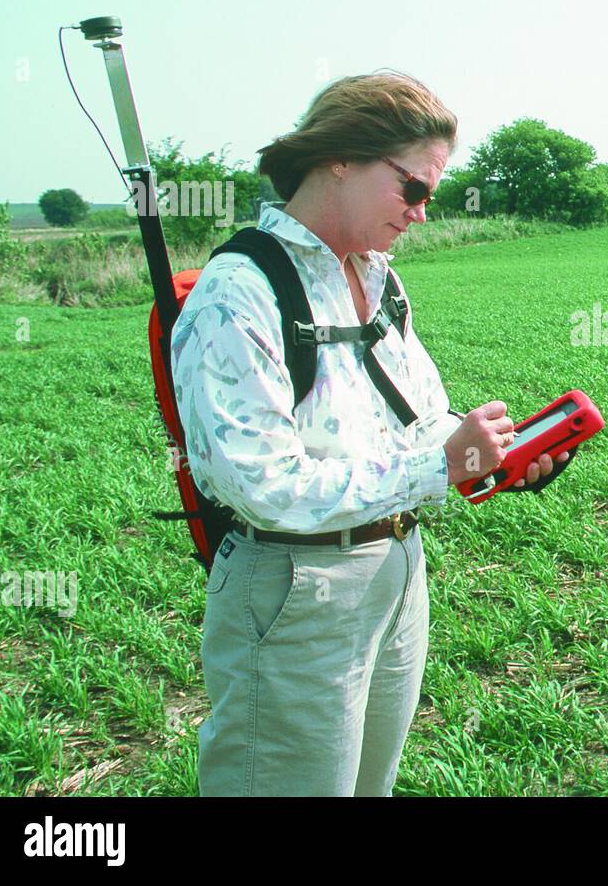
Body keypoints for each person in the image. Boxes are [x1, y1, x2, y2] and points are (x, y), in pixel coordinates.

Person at [169, 71, 569, 796]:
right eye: (412, 188)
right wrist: (437, 469)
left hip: (394, 569)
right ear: (341, 158)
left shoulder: (378, 277)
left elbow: (418, 417)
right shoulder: (239, 294)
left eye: (431, 195)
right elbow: (260, 485)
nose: (421, 213)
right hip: (295, 590)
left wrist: (495, 452)